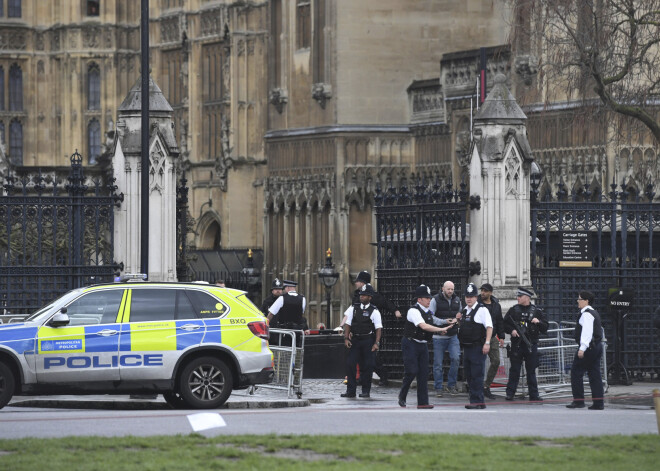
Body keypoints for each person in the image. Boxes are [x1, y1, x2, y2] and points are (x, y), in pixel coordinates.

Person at [341, 270, 402, 386]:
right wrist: (343, 326)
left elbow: (385, 302)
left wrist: (395, 310)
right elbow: (350, 312)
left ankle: (383, 375)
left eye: (358, 281)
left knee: (371, 358)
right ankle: (360, 379)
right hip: (357, 331)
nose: (356, 283)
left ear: (363, 283)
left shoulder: (371, 296)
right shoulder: (357, 295)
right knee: (360, 358)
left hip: (369, 332)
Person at [398, 284, 454, 409]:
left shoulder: (428, 312)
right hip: (410, 343)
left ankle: (423, 402)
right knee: (411, 371)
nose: (429, 300)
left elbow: (433, 322)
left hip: (422, 345)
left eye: (429, 298)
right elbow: (423, 326)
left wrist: (443, 326)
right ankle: (402, 395)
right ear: (419, 299)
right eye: (426, 298)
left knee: (423, 374)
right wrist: (440, 330)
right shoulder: (413, 311)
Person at [503, 286, 549, 402]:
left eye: (520, 296)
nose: (517, 298)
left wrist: (538, 322)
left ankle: (534, 395)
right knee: (514, 370)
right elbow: (504, 324)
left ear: (527, 297)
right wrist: (511, 331)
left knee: (531, 371)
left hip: (530, 345)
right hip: (517, 345)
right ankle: (510, 393)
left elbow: (545, 327)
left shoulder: (536, 311)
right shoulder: (513, 310)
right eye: (517, 296)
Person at [341, 284, 383, 399]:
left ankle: (365, 391)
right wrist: (346, 338)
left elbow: (378, 328)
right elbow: (348, 323)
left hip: (367, 340)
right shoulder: (353, 308)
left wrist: (376, 343)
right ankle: (350, 391)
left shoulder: (374, 311)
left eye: (364, 295)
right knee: (350, 364)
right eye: (361, 295)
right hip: (355, 339)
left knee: (367, 366)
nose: (362, 297)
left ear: (370, 297)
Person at [567, 290, 605, 410]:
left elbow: (587, 333)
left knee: (576, 372)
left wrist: (582, 348)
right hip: (596, 346)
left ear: (586, 301)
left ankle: (578, 401)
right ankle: (598, 403)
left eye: (580, 299)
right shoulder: (593, 312)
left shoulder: (587, 314)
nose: (577, 301)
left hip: (589, 347)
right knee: (594, 374)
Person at [458, 283, 493, 409]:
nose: (469, 298)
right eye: (467, 296)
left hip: (477, 347)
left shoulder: (482, 310)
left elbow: (489, 327)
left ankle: (478, 401)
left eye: (471, 296)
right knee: (469, 375)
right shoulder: (465, 310)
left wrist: (487, 343)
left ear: (476, 297)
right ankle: (475, 400)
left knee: (477, 375)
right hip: (467, 347)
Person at [429, 281, 462, 396]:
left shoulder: (457, 300)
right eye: (448, 289)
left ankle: (451, 385)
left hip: (452, 335)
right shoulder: (435, 300)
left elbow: (460, 315)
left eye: (452, 289)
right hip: (438, 336)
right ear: (443, 288)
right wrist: (443, 322)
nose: (450, 291)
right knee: (438, 363)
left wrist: (458, 320)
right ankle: (438, 387)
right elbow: (430, 317)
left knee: (456, 358)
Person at [478, 283, 505, 399]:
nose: (483, 293)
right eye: (482, 290)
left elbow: (499, 321)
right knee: (478, 363)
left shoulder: (496, 305)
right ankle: (476, 387)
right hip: (479, 337)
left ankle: (486, 386)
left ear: (491, 293)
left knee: (496, 361)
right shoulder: (477, 304)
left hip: (493, 336)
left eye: (485, 291)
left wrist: (502, 336)